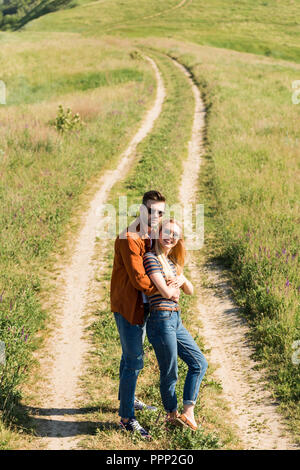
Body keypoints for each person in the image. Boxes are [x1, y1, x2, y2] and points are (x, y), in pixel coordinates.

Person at [110, 190, 179, 439]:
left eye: (160, 212)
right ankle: (127, 418)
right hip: (128, 307)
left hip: (143, 306)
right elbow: (140, 279)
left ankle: (126, 399)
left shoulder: (151, 235)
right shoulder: (129, 237)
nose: (155, 216)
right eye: (151, 211)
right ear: (142, 210)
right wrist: (167, 291)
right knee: (134, 361)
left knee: (129, 356)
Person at [143, 218, 208, 431]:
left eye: (175, 235)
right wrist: (174, 290)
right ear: (158, 232)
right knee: (170, 372)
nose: (171, 237)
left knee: (199, 363)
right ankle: (172, 416)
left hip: (175, 319)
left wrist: (182, 281)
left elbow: (189, 290)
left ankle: (188, 411)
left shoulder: (171, 263)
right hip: (161, 320)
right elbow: (165, 292)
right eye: (167, 232)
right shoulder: (151, 258)